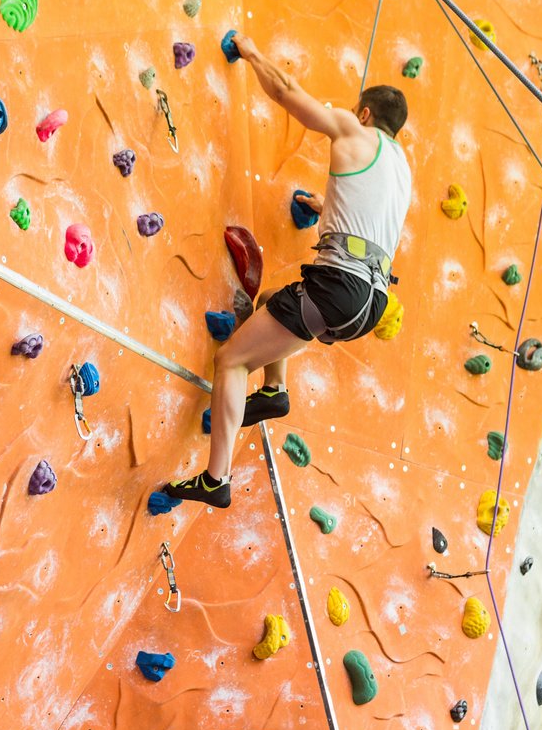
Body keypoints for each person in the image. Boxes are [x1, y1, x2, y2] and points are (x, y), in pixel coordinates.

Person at [162, 33, 412, 508]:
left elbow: (286, 92)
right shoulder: (401, 168)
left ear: (364, 115)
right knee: (274, 297)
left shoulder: (354, 131)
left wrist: (252, 53)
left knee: (231, 360)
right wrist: (328, 206)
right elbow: (371, 216)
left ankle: (216, 479)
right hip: (370, 300)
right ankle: (274, 392)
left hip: (341, 286)